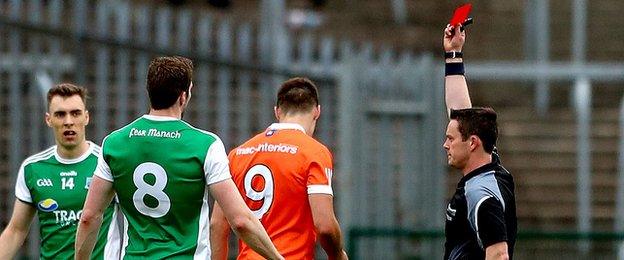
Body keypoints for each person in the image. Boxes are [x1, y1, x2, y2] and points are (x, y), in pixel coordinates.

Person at [74, 56, 283, 260]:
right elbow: (240, 221)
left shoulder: (114, 143)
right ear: (183, 96)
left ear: (150, 92)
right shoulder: (205, 145)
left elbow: (89, 217)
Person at [210, 77, 348, 260]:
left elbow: (217, 225)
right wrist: (337, 254)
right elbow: (325, 227)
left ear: (277, 111)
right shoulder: (314, 153)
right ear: (317, 111)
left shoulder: (238, 154)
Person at [0, 83, 122, 259]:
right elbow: (16, 231)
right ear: (48, 119)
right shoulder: (33, 169)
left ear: (86, 117)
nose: (68, 121)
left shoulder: (107, 163)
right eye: (60, 114)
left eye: (75, 113)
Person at [442, 23, 517, 259]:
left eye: (450, 139)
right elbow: (461, 112)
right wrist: (454, 53)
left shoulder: (481, 194)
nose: (445, 145)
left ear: (472, 143)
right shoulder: (491, 166)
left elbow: (498, 254)